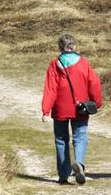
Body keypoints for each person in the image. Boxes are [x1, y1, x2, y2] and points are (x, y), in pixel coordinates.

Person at [41, 34, 103, 185]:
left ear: (60, 47)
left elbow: (51, 88)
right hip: (80, 108)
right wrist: (96, 103)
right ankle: (79, 164)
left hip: (60, 108)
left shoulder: (55, 64)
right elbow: (94, 83)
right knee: (80, 137)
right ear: (74, 46)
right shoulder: (84, 63)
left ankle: (63, 175)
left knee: (61, 140)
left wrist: (45, 110)